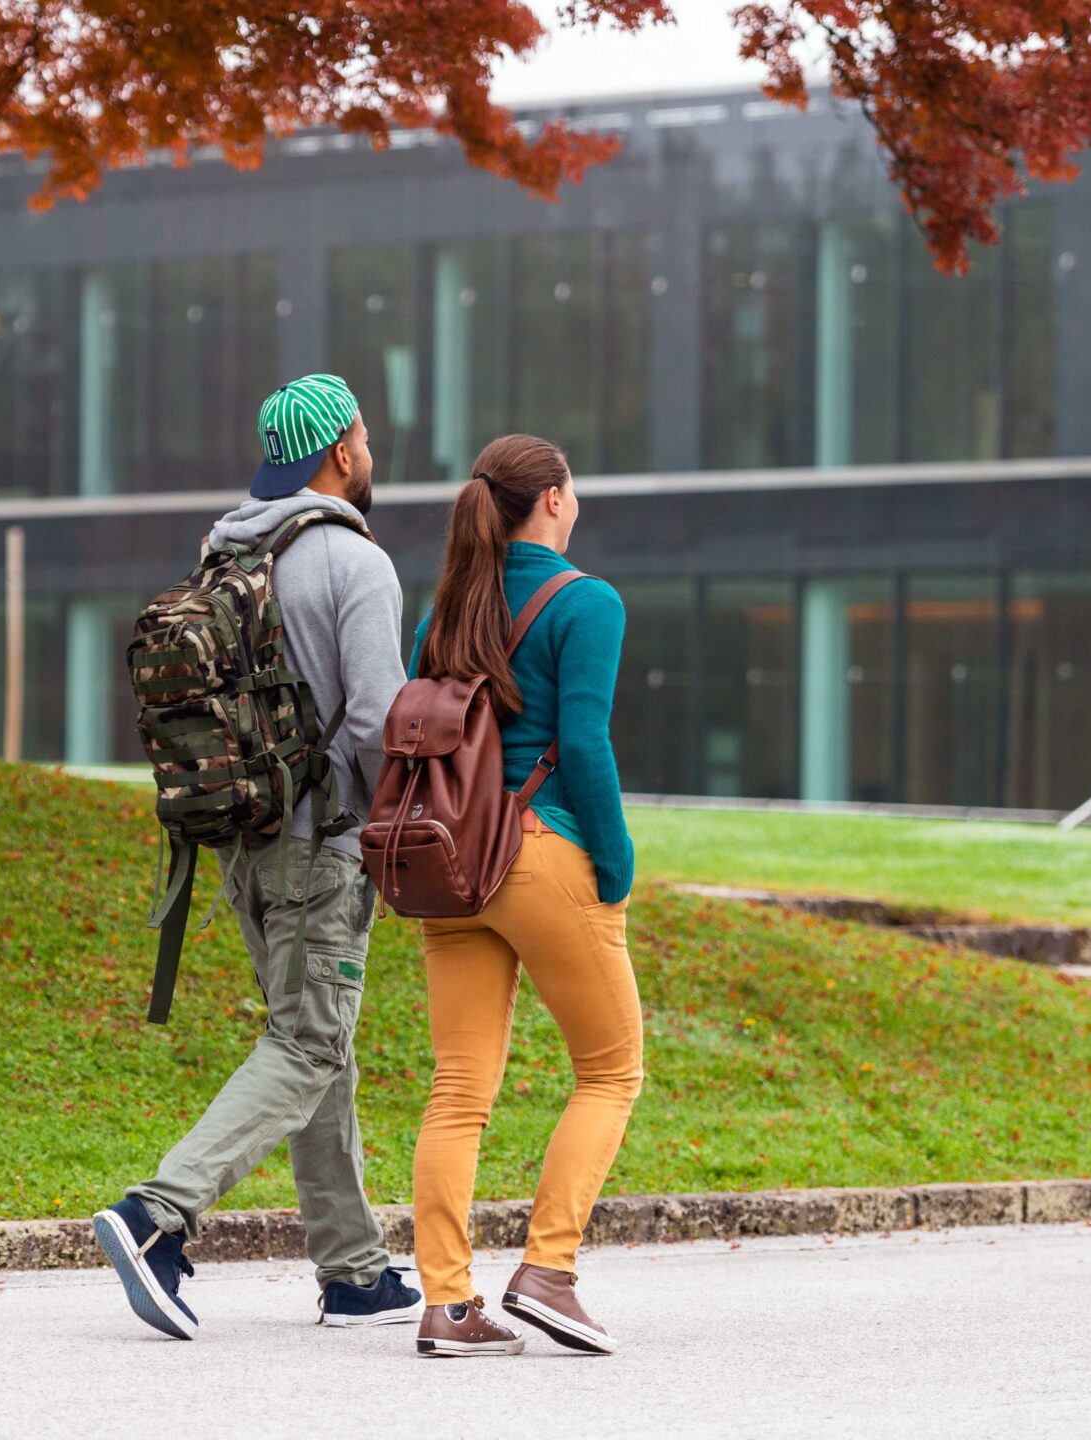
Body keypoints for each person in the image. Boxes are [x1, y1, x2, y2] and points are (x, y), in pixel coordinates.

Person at [92, 374, 424, 1337]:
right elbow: (374, 719)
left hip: (242, 838)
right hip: (323, 843)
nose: (370, 451)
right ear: (340, 453)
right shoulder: (356, 565)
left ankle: (354, 1269)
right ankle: (157, 1215)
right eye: (364, 435)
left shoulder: (228, 547)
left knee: (316, 1039)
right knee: (308, 1040)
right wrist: (387, 835)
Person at [404, 435, 643, 1358]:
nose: (576, 497)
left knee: (458, 1090)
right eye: (571, 484)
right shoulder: (587, 600)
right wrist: (614, 863)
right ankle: (548, 1270)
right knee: (610, 1070)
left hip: (451, 863)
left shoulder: (443, 614)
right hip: (541, 852)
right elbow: (583, 743)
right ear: (549, 498)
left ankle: (449, 1306)